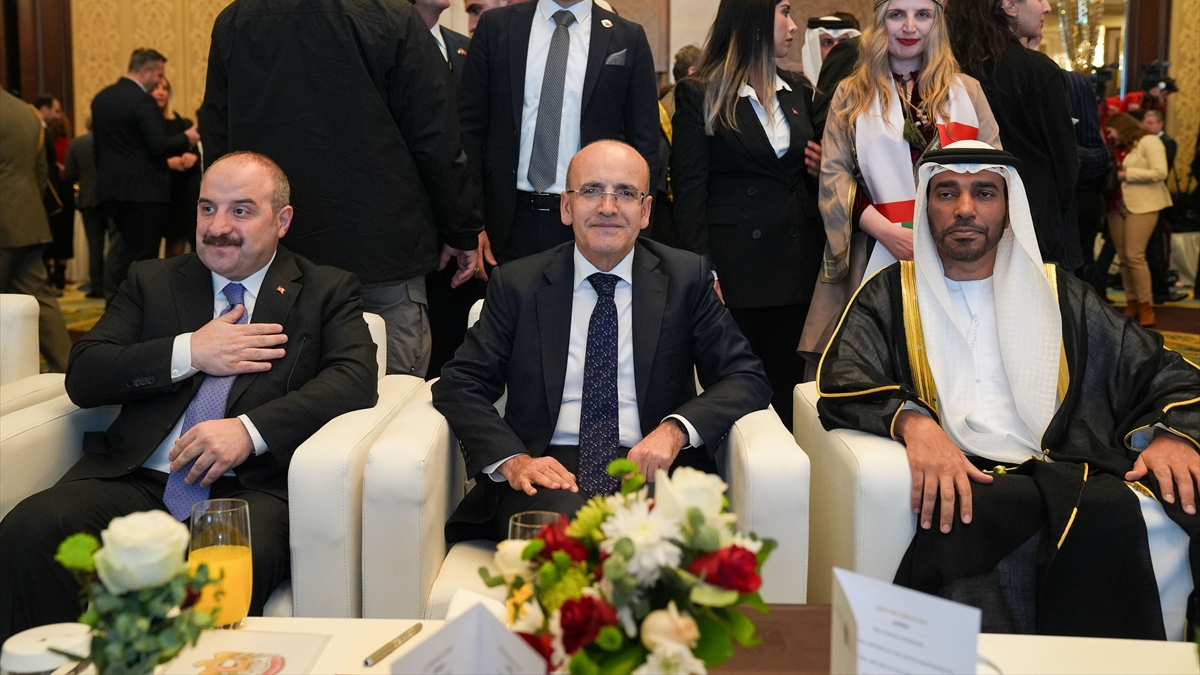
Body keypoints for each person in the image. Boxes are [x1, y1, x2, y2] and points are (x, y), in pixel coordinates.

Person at [817, 140, 1197, 641]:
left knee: (1145, 505)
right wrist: (915, 424)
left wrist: (1172, 434)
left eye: (985, 193)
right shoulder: (891, 293)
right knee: (981, 515)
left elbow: (1162, 369)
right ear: (926, 207)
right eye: (946, 193)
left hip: (1066, 461)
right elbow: (845, 376)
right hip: (972, 471)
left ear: (1008, 207)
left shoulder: (1060, 293)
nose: (965, 208)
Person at [0, 152, 379, 640]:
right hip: (137, 479)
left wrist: (249, 432)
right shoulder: (152, 280)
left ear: (281, 221)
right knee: (32, 528)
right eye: (207, 208)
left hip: (249, 490)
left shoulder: (326, 290)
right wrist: (190, 351)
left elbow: (353, 377)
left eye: (241, 211)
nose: (218, 227)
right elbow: (86, 373)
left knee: (217, 571)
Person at [433, 140, 772, 543]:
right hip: (549, 471)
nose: (608, 207)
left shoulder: (686, 279)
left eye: (625, 193)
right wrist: (514, 461)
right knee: (566, 543)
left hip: (653, 468)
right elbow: (460, 384)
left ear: (646, 211)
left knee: (653, 547)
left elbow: (745, 377)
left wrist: (675, 430)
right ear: (566, 206)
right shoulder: (518, 285)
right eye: (591, 190)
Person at [200, 0, 482, 379]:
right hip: (381, 247)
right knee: (391, 394)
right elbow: (435, 138)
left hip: (276, 252)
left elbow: (219, 143)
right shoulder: (393, 15)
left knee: (280, 388)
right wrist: (461, 229)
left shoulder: (235, 20)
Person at [799, 0, 1000, 360]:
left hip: (959, 250)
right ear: (881, 22)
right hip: (877, 248)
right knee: (877, 356)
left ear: (937, 22)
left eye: (922, 15)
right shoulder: (851, 93)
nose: (909, 27)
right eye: (897, 15)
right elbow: (833, 177)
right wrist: (889, 234)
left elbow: (996, 175)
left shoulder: (967, 92)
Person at [671, 0, 823, 430]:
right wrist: (703, 270)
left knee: (789, 392)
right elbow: (689, 193)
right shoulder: (701, 93)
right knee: (738, 396)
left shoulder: (799, 90)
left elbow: (810, 177)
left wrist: (822, 167)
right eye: (784, 12)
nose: (793, 26)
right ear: (753, 17)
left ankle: (788, 473)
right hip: (734, 271)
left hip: (796, 267)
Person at [459, 0, 660, 271]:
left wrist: (638, 234)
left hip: (592, 218)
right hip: (505, 219)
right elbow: (469, 132)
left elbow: (645, 144)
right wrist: (471, 224)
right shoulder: (496, 27)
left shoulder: (627, 37)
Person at [946, 0, 1078, 266]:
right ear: (1009, 5)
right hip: (1031, 227)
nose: (1047, 7)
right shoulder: (1037, 70)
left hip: (958, 222)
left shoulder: (945, 69)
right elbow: (1066, 166)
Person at [92, 49, 200, 303]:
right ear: (145, 71)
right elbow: (158, 146)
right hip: (145, 193)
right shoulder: (143, 101)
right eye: (159, 74)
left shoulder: (101, 98)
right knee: (144, 259)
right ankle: (141, 309)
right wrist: (187, 138)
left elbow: (99, 148)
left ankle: (115, 305)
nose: (159, 81)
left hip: (111, 190)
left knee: (120, 253)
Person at [0, 89, 72, 372]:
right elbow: (41, 172)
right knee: (39, 302)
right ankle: (69, 371)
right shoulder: (27, 112)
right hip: (28, 219)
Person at [1104, 113, 1172, 327]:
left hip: (1143, 205)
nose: (1109, 135)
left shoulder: (1149, 142)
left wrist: (1127, 174)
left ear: (1121, 127)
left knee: (1135, 256)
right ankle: (1131, 302)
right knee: (1124, 258)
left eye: (1111, 130)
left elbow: (1160, 172)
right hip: (1116, 206)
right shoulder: (1117, 148)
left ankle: (1146, 306)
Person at [150, 76, 202, 259]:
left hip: (180, 194)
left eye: (165, 88)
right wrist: (167, 164)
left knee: (176, 250)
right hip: (155, 193)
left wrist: (192, 157)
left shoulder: (181, 123)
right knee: (149, 252)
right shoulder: (146, 125)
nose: (161, 93)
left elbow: (195, 150)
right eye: (156, 88)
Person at [1138, 109, 1185, 304]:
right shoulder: (1140, 141)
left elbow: (1160, 170)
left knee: (1155, 245)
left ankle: (1159, 288)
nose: (1147, 126)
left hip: (1155, 198)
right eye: (1145, 122)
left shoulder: (1167, 142)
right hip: (1140, 198)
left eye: (1151, 123)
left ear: (1160, 124)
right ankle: (1156, 289)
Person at [33, 98, 74, 294]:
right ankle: (54, 279)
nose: (59, 115)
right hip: (50, 195)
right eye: (56, 110)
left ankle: (50, 280)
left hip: (52, 195)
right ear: (44, 109)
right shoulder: (37, 132)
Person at [63, 118, 107, 299]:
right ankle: (114, 284)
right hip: (110, 197)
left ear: (87, 126)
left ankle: (97, 285)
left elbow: (68, 173)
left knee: (94, 245)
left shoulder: (77, 144)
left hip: (88, 199)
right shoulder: (110, 142)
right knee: (116, 245)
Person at [800, 15, 861, 86]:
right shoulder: (799, 89)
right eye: (827, 43)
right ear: (814, 50)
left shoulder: (860, 88)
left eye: (843, 42)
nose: (837, 48)